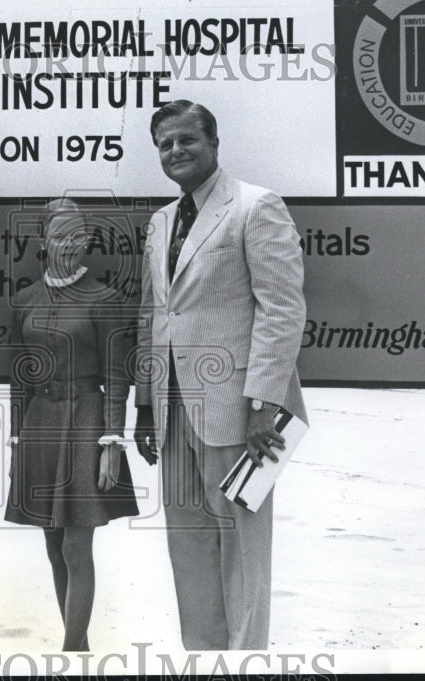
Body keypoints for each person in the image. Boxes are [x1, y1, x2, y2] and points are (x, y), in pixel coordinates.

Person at [133, 100, 307, 651]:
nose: (176, 151)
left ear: (213, 143)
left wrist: (262, 404)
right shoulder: (161, 222)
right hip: (173, 407)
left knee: (242, 548)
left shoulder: (256, 207)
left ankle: (246, 658)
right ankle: (203, 658)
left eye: (187, 139)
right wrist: (144, 402)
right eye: (166, 144)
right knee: (188, 542)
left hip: (240, 413)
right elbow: (153, 315)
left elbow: (282, 308)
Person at [5, 199, 139, 652]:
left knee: (76, 548)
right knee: (52, 544)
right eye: (60, 235)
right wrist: (16, 443)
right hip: (40, 425)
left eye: (79, 234)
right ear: (43, 242)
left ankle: (70, 654)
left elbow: (117, 378)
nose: (72, 243)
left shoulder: (106, 299)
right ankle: (79, 649)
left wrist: (112, 444)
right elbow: (20, 379)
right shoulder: (23, 300)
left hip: (87, 423)